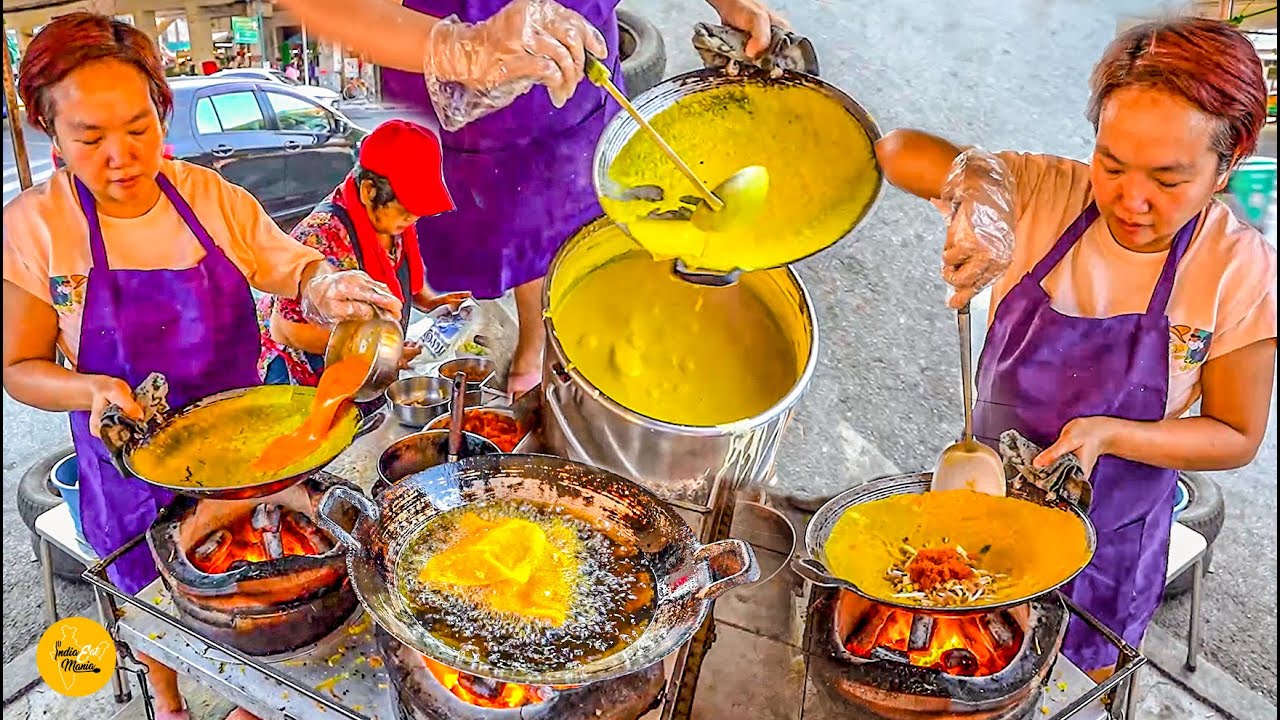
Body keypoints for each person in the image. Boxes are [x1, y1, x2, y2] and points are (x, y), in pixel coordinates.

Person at [2, 14, 401, 720]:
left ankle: (256, 696)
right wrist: (89, 386)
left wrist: (324, 286)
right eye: (89, 139)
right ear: (49, 130)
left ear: (161, 108)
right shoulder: (36, 226)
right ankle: (167, 699)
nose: (121, 157)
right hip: (127, 459)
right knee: (145, 594)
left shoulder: (210, 198)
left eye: (139, 127)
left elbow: (292, 267)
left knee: (260, 578)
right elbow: (21, 366)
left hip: (244, 445)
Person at [874, 17, 1276, 680]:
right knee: (960, 662)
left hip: (1111, 540)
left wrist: (1109, 434)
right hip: (986, 505)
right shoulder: (1043, 194)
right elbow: (895, 149)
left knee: (1068, 681)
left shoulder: (1238, 271)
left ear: (1227, 164)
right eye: (1112, 164)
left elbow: (1235, 433)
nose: (1132, 198)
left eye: (1169, 180)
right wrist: (979, 193)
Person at [277, 0, 785, 396]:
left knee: (565, 227)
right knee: (502, 228)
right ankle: (525, 342)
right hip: (460, 100)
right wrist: (460, 48)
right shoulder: (341, 227)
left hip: (581, 80)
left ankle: (537, 345)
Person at [259, 119, 470, 385]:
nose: (412, 219)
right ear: (369, 191)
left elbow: (398, 275)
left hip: (358, 358)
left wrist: (430, 302)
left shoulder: (390, 221)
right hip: (302, 367)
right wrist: (374, 352)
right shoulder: (320, 235)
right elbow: (285, 328)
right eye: (406, 209)